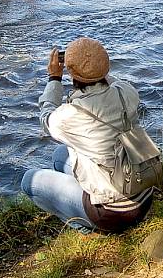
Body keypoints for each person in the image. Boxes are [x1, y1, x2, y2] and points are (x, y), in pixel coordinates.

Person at [21, 38, 156, 233]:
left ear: (71, 73)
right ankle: (88, 197)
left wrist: (54, 79)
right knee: (60, 155)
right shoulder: (127, 92)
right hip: (143, 195)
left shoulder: (72, 114)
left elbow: (46, 117)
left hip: (111, 213)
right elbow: (108, 81)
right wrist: (93, 67)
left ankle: (85, 226)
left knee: (29, 180)